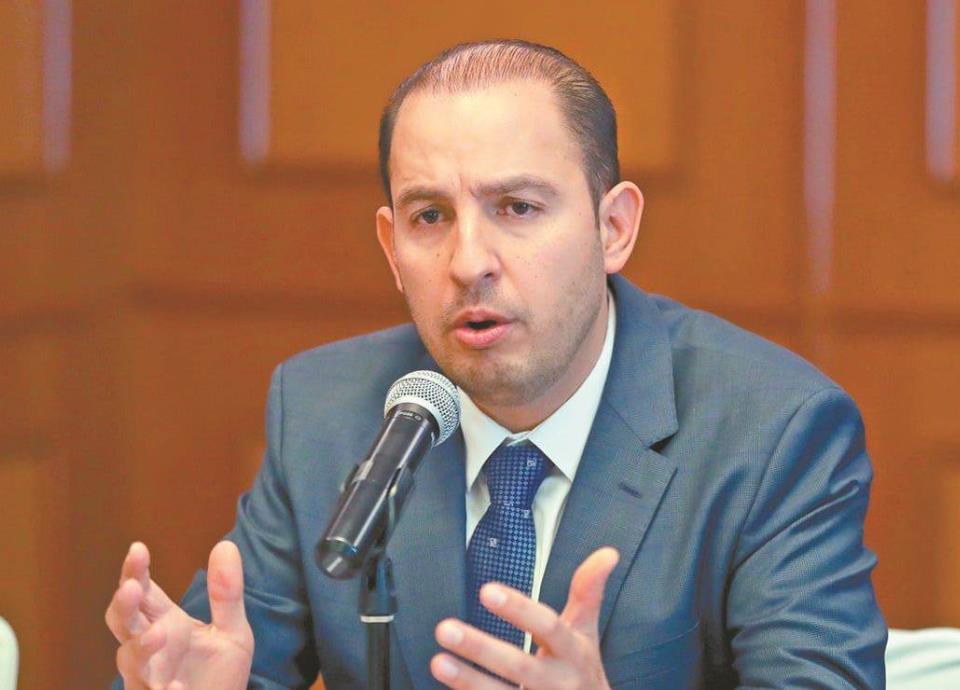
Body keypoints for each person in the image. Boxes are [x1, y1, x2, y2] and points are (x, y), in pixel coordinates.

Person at [104, 40, 887, 689]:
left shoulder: (773, 431)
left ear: (614, 228)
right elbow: (219, 659)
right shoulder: (327, 411)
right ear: (391, 248)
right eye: (430, 216)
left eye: (517, 208)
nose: (467, 261)